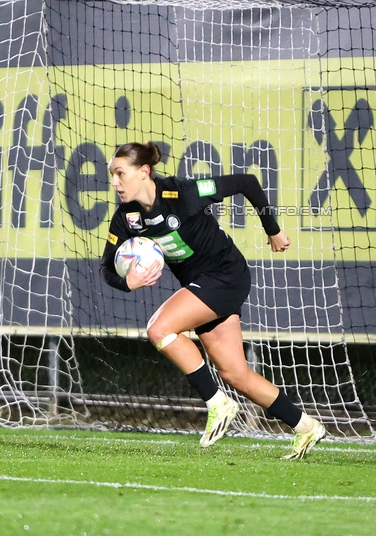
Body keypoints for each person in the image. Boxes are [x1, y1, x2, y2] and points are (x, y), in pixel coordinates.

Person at [100, 141, 327, 460]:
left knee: (159, 329)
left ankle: (216, 403)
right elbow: (106, 267)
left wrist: (273, 230)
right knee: (236, 374)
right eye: (112, 175)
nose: (115, 182)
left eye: (120, 174)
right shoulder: (126, 219)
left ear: (144, 172)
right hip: (204, 285)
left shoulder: (183, 193)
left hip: (226, 275)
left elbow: (247, 182)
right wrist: (128, 281)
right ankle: (306, 427)